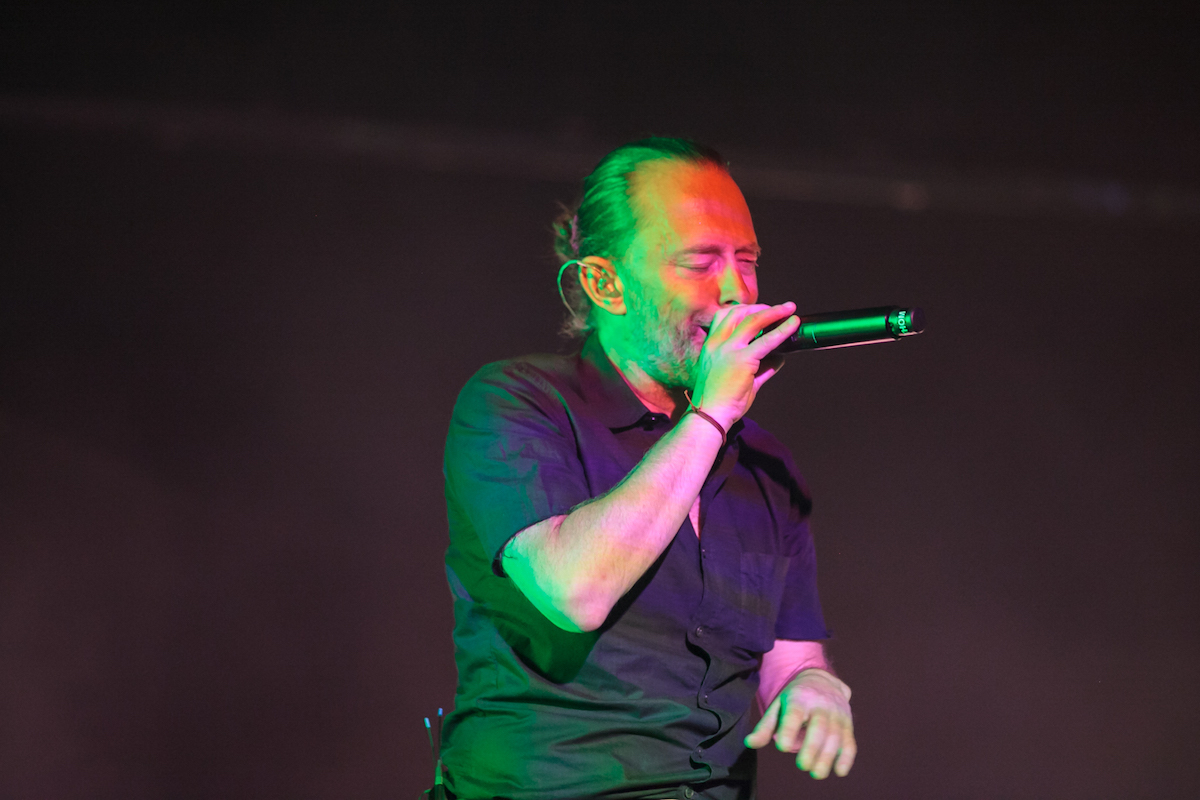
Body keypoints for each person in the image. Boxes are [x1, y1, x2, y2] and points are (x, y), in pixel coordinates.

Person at [440, 138, 854, 799]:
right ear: (605, 284)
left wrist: (814, 687)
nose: (735, 290)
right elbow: (575, 592)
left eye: (747, 261)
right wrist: (711, 414)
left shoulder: (764, 466)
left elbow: (792, 656)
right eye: (699, 262)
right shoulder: (516, 403)